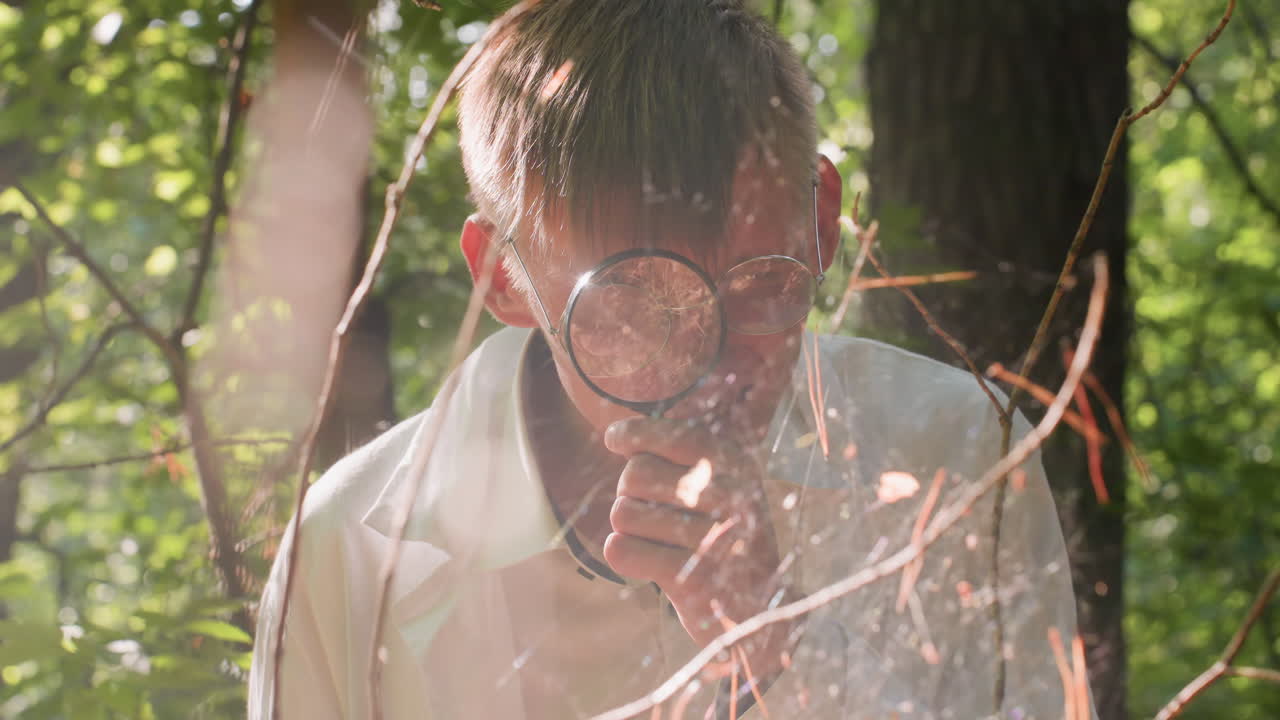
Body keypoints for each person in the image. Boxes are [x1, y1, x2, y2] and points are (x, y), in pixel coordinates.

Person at [249, 1, 1088, 718]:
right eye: (632, 305)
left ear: (821, 220)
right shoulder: (351, 549)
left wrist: (781, 643)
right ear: (502, 277)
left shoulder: (956, 453)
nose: (709, 371)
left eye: (760, 282)